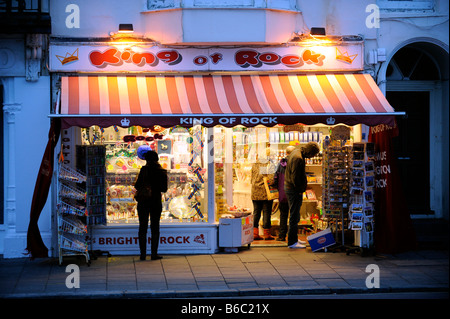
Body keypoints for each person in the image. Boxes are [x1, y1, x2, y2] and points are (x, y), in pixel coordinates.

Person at [284, 142, 320, 248]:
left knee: (295, 215)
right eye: (313, 154)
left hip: (291, 188)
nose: (312, 157)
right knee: (294, 215)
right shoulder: (298, 158)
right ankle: (292, 242)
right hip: (293, 189)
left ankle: (294, 239)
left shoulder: (296, 152)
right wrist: (300, 190)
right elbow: (295, 177)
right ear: (310, 151)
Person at [134, 148, 168, 260]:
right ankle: (154, 254)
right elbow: (164, 189)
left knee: (142, 227)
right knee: (155, 227)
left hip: (144, 201)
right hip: (155, 201)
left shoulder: (144, 170)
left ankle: (142, 254)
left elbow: (137, 186)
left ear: (146, 160)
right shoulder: (162, 171)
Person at [251, 148, 276, 240]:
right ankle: (267, 234)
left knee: (256, 213)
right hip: (265, 192)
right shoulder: (269, 165)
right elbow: (271, 180)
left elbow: (251, 179)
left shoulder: (254, 165)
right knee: (266, 212)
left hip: (255, 192)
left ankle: (255, 233)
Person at [272, 145, 295, 241]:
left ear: (286, 153)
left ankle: (282, 235)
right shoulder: (295, 162)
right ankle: (293, 237)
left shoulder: (280, 164)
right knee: (294, 215)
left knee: (283, 215)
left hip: (283, 193)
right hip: (293, 193)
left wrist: (278, 189)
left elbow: (275, 178)